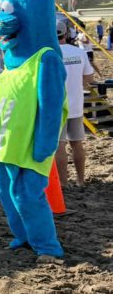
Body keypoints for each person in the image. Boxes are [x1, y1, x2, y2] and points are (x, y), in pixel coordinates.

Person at [55, 16, 93, 188]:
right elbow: (89, 78)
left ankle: (63, 182)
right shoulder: (79, 52)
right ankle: (80, 180)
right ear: (67, 34)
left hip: (57, 106)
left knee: (59, 145)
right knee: (77, 144)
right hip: (76, 104)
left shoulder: (50, 54)